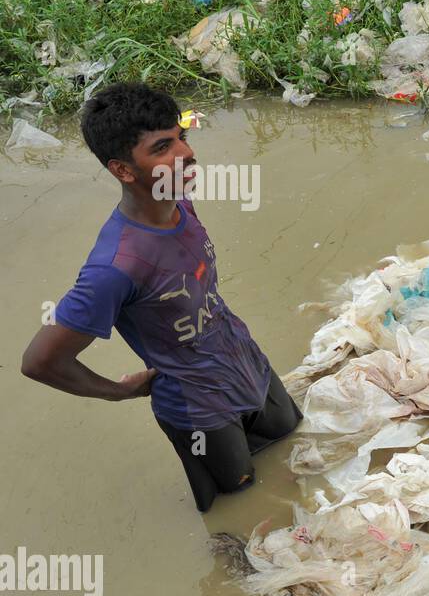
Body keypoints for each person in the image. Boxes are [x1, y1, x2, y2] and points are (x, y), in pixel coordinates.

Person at [20, 83, 300, 513]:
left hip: (246, 364)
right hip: (199, 409)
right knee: (242, 506)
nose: (186, 154)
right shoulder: (114, 269)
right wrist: (118, 392)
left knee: (293, 444)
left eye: (182, 136)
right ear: (124, 170)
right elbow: (40, 361)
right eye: (163, 147)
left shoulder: (181, 203)